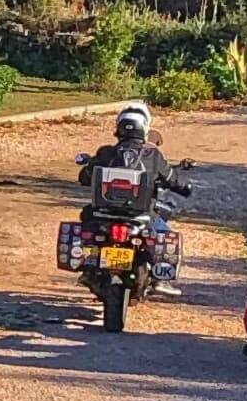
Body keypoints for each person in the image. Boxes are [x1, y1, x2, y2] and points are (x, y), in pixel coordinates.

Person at [78, 102, 188, 298]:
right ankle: (160, 279)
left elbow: (85, 177)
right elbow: (173, 179)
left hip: (104, 215)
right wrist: (184, 186)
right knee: (164, 232)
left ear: (118, 128)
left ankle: (89, 266)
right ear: (145, 128)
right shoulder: (152, 155)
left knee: (86, 222)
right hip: (142, 216)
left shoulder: (106, 153)